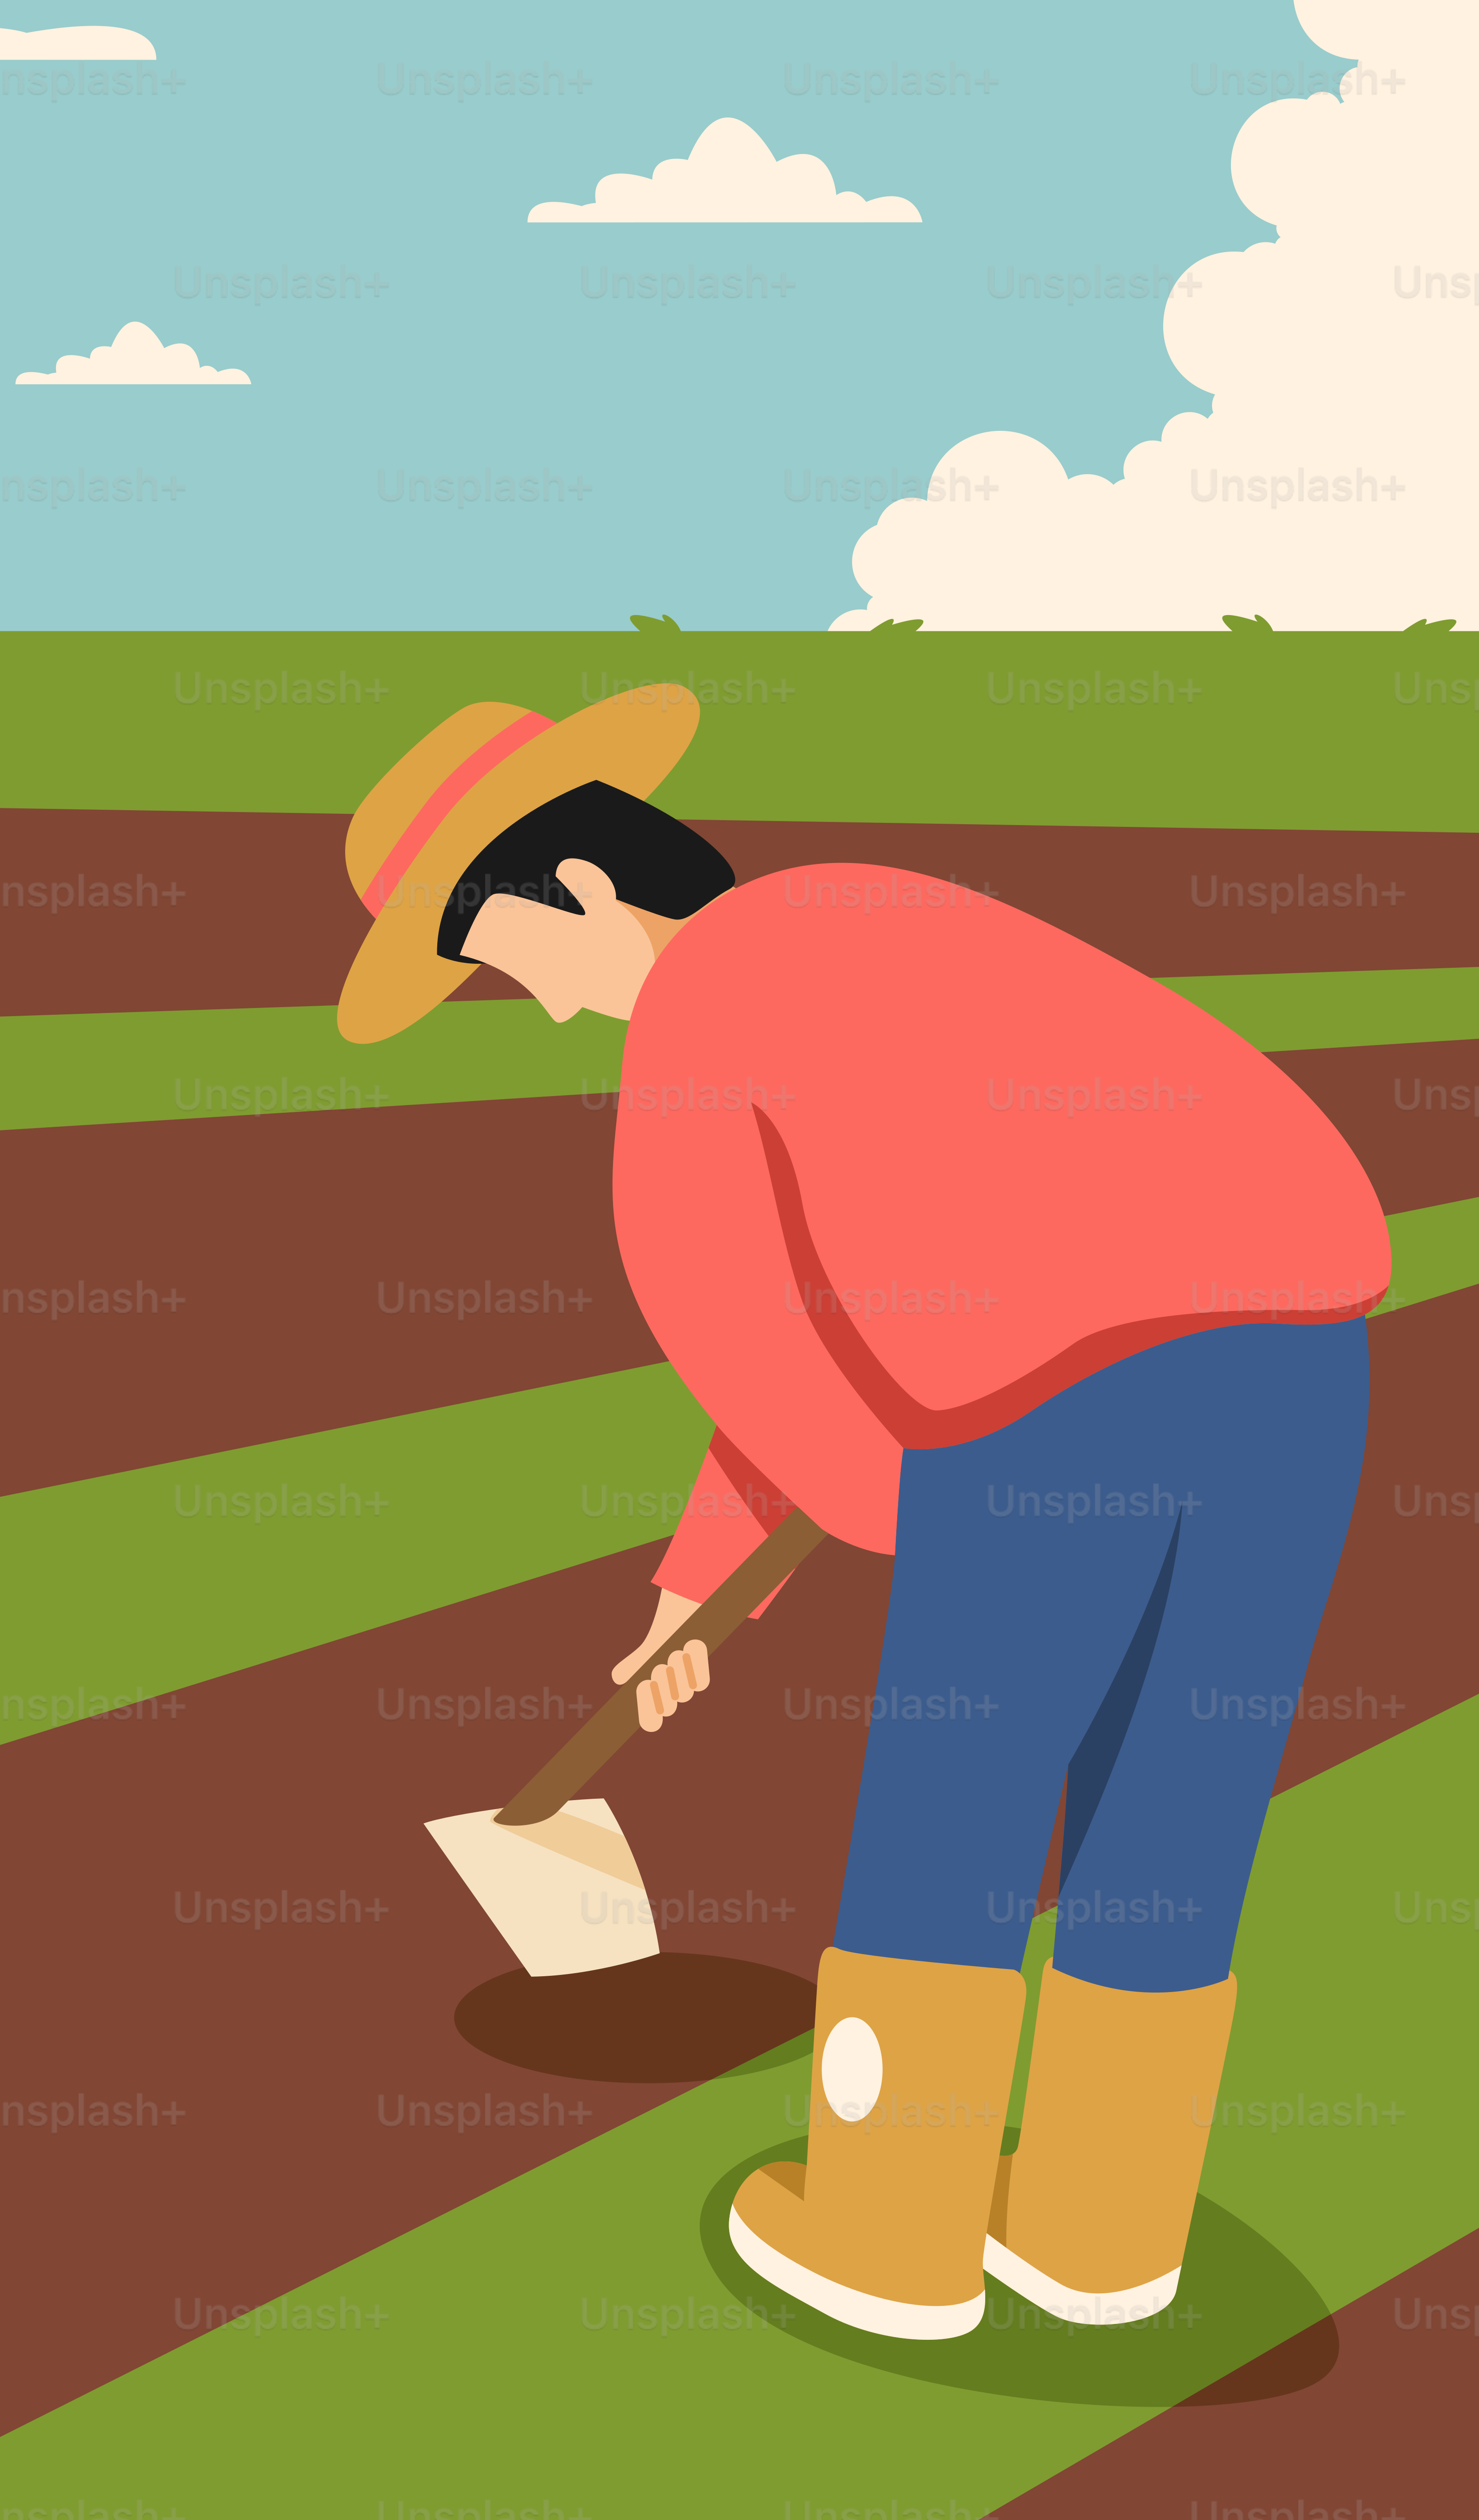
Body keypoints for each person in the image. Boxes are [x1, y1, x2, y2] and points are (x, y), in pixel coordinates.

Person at [337, 685, 1387, 2340]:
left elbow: (767, 1368)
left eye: (500, 955)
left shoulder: (690, 1033)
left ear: (588, 891)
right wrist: (713, 1589)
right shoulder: (874, 913)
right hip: (1305, 1356)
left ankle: (891, 2236)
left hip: (1041, 1403)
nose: (523, 1005)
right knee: (1180, 1792)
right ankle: (1107, 2237)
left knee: (956, 1809)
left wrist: (799, 1560)